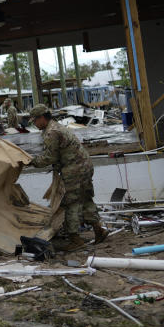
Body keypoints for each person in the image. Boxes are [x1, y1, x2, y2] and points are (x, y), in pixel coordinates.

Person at [27, 104, 107, 251]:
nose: (34, 124)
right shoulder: (54, 127)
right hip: (83, 166)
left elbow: (49, 157)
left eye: (35, 121)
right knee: (86, 198)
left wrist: (30, 161)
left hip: (74, 169)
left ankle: (75, 239)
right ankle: (99, 231)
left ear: (42, 118)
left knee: (70, 203)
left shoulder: (52, 132)